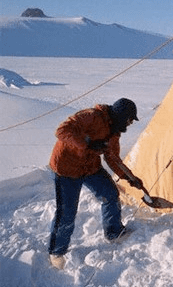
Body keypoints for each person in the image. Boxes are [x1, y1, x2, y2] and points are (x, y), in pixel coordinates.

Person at [48, 98, 144, 269]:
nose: (129, 124)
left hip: (90, 167)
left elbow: (113, 158)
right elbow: (62, 131)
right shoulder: (91, 116)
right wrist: (88, 143)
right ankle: (57, 251)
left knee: (110, 194)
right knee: (67, 212)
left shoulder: (114, 132)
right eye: (129, 120)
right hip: (67, 168)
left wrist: (130, 177)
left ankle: (114, 232)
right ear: (121, 116)